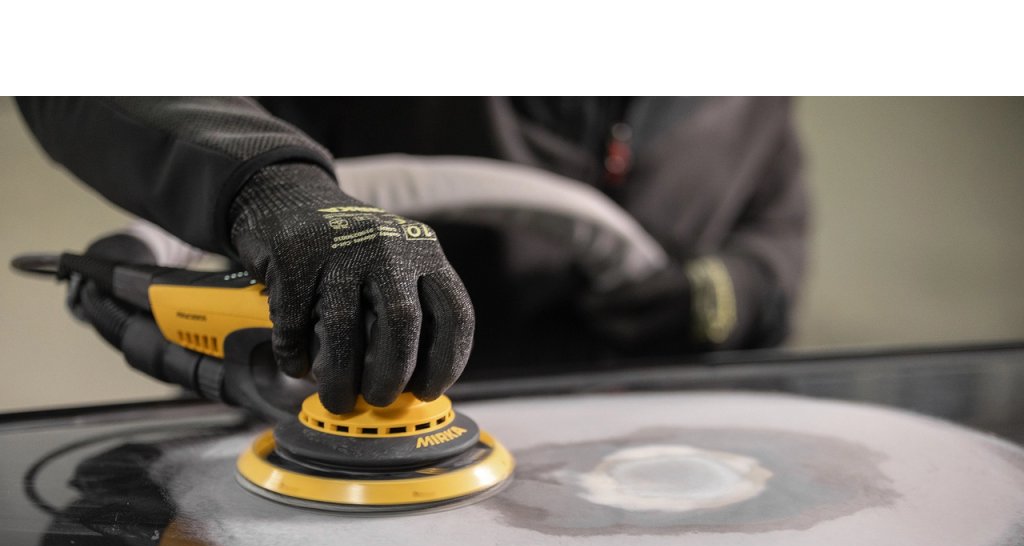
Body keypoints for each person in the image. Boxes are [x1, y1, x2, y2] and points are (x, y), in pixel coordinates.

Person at [16, 97, 807, 413]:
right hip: (311, 427)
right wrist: (275, 189)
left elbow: (778, 232)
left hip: (646, 453)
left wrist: (725, 293)